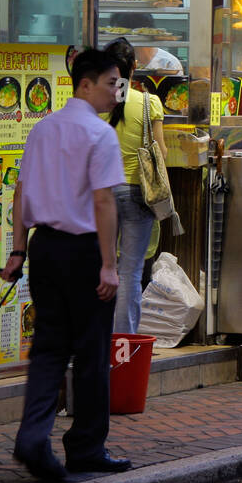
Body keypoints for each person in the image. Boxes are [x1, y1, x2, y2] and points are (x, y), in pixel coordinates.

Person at [1, 48, 132, 482]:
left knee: (49, 348)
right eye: (112, 84)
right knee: (92, 354)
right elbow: (102, 200)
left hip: (45, 250)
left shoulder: (43, 129)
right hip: (84, 251)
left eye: (119, 84)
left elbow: (21, 192)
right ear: (86, 84)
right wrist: (109, 265)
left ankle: (33, 436)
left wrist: (18, 250)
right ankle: (86, 447)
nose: (117, 92)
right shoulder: (99, 135)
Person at [103, 38, 170, 336]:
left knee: (103, 268)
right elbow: (162, 153)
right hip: (136, 194)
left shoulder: (99, 103)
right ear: (134, 67)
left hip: (101, 195)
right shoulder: (148, 102)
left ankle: (99, 338)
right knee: (129, 273)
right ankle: (124, 341)